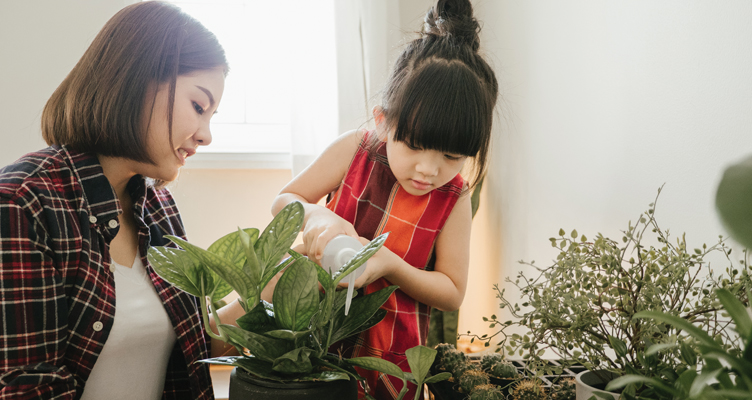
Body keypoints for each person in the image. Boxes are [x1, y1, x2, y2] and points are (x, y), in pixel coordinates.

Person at [271, 0, 498, 397]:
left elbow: (451, 290)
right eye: (414, 145)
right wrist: (315, 217)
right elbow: (284, 200)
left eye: (451, 156)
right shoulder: (355, 152)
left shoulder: (454, 197)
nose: (429, 170)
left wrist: (390, 264)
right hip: (315, 339)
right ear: (383, 121)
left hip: (392, 357)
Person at [0, 2, 228, 399]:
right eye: (198, 106)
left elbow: (192, 353)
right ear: (137, 80)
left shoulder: (159, 209)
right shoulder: (23, 203)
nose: (206, 135)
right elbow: (31, 388)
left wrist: (272, 287)